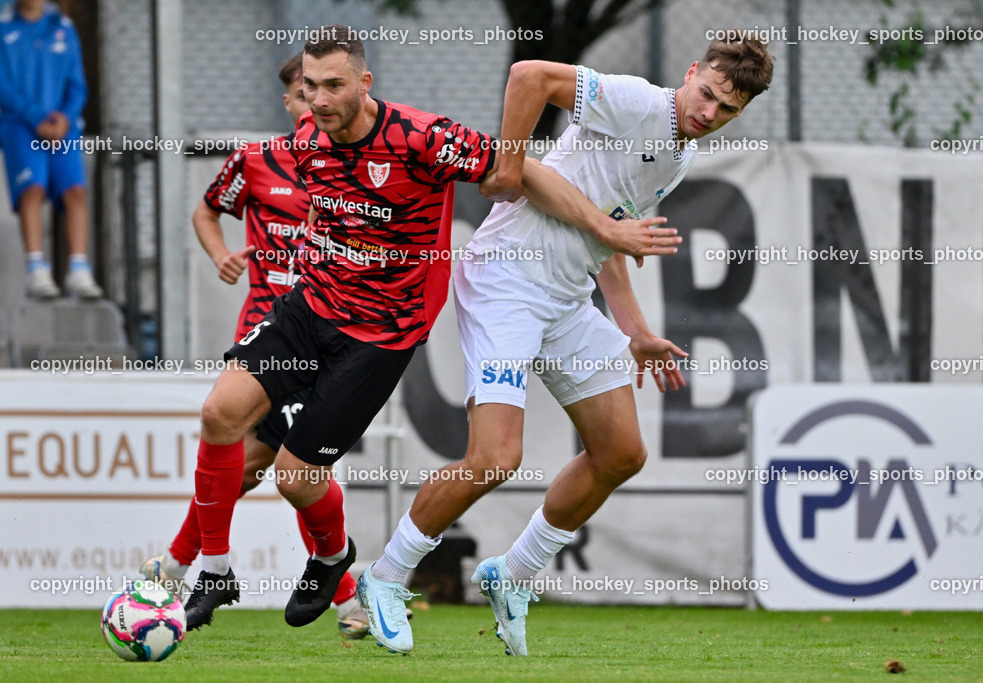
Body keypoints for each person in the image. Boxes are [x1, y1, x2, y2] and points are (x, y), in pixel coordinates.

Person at [178, 25, 677, 634]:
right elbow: (325, 197)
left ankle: (337, 559)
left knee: (296, 477)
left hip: (380, 334)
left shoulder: (422, 137)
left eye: (335, 85)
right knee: (217, 415)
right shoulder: (308, 137)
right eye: (310, 87)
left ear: (365, 83)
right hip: (310, 306)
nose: (320, 99)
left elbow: (517, 169)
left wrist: (599, 224)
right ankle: (213, 567)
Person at [358, 36, 775, 655]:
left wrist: (635, 331)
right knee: (495, 457)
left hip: (564, 297)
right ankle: (385, 577)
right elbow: (529, 75)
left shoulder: (678, 154)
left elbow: (608, 245)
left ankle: (514, 573)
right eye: (707, 93)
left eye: (727, 110)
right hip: (506, 280)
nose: (708, 112)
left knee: (621, 452)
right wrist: (508, 164)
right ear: (691, 73)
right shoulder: (638, 103)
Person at [139, 54, 369, 636]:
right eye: (302, 93)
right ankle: (345, 600)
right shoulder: (257, 160)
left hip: (333, 331)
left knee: (274, 465)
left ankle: (181, 567)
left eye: (324, 90)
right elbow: (207, 209)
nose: (313, 103)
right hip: (271, 329)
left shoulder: (354, 163)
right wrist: (222, 255)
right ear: (290, 103)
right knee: (260, 460)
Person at [0, 0, 102, 299]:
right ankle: (37, 269)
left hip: (62, 126)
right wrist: (36, 118)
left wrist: (64, 117)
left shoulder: (64, 27)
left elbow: (77, 84)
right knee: (33, 190)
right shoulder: (4, 23)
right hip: (20, 125)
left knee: (75, 192)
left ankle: (79, 269)